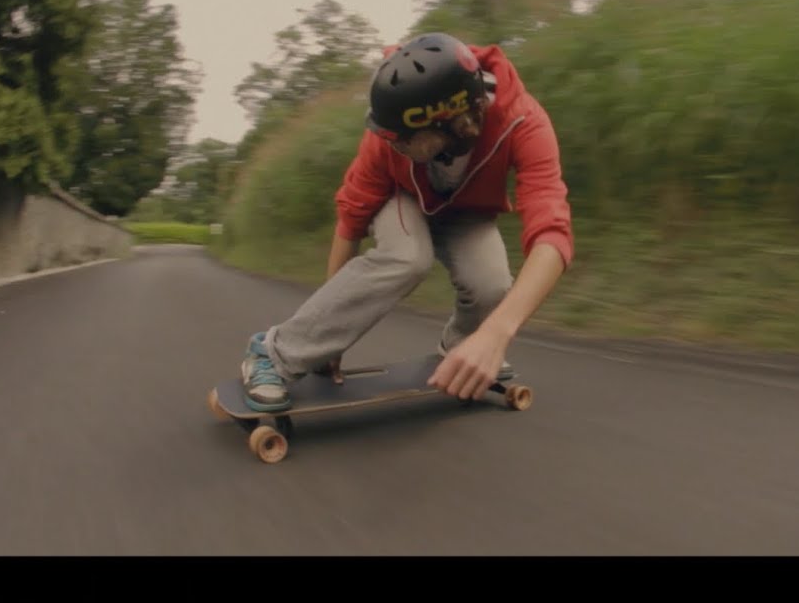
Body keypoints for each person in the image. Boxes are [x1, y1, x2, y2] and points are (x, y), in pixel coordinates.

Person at [239, 32, 574, 411]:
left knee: (493, 284)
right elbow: (351, 220)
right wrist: (327, 337)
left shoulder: (524, 122)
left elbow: (552, 235)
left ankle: (463, 348)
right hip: (403, 200)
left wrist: (494, 335)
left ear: (459, 125)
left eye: (406, 140)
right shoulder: (388, 131)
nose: (392, 144)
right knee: (408, 256)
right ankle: (272, 353)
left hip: (466, 211)